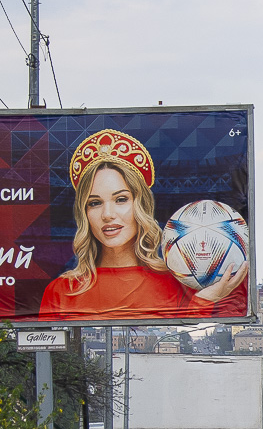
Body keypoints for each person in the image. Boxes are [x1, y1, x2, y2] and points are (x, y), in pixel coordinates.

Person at [37, 128, 248, 322]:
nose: (108, 215)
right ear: (85, 213)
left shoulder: (181, 282)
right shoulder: (62, 291)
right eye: (95, 203)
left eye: (121, 199)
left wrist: (204, 301)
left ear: (141, 205)